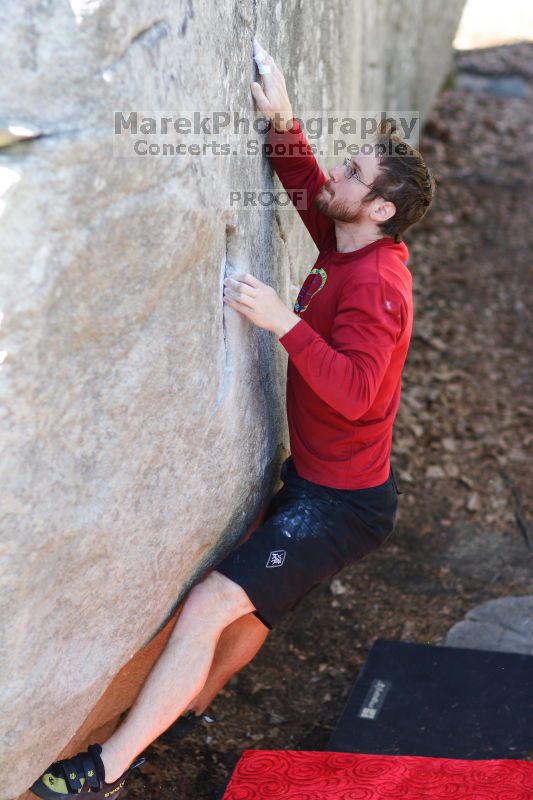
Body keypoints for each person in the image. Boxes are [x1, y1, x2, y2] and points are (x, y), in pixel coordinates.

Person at [29, 38, 435, 799]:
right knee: (251, 616)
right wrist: (282, 118)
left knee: (217, 602)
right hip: (326, 488)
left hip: (338, 508)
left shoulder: (379, 285)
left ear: (380, 209)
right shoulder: (348, 241)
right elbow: (309, 186)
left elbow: (357, 393)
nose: (339, 174)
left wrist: (282, 320)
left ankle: (105, 769)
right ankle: (188, 710)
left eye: (355, 173)